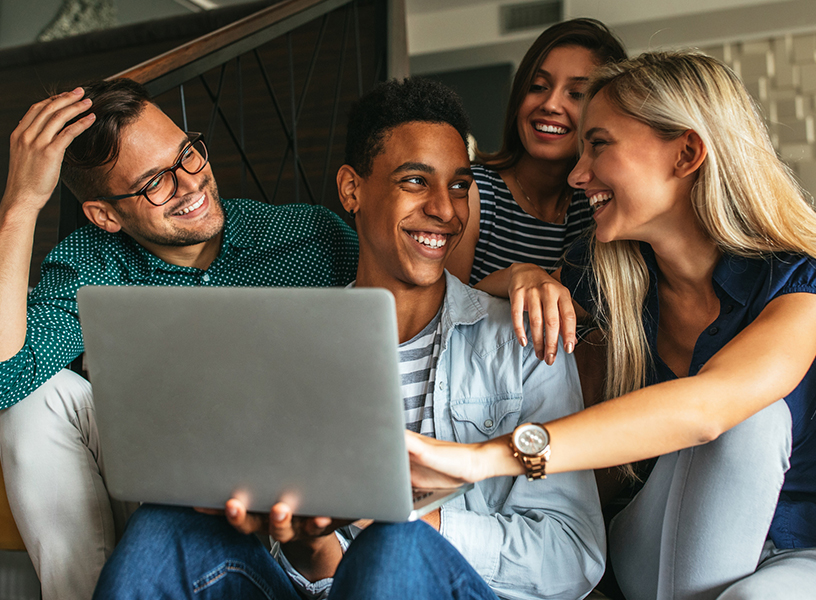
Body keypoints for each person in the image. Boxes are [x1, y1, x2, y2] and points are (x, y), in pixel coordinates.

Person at [91, 77, 605, 600]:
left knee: (395, 548)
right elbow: (320, 570)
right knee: (164, 528)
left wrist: (395, 522)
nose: (447, 211)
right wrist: (310, 543)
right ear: (351, 190)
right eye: (415, 181)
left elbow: (574, 554)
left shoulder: (523, 337)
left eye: (458, 184)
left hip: (456, 587)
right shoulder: (291, 346)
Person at [405, 51, 816, 600]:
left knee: (752, 422)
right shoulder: (599, 274)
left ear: (687, 152)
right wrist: (523, 275)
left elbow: (709, 408)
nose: (577, 175)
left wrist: (484, 458)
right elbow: (465, 309)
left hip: (794, 555)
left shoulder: (800, 283)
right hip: (660, 542)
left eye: (598, 145)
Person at [0, 79, 358, 600]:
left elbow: (416, 313)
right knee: (33, 403)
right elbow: (4, 380)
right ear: (105, 215)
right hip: (160, 487)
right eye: (154, 184)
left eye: (186, 154)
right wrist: (20, 207)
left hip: (285, 496)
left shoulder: (310, 239)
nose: (190, 184)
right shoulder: (89, 266)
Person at [446, 18, 625, 363]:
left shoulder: (599, 205)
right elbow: (443, 314)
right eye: (538, 86)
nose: (551, 104)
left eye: (576, 94)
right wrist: (516, 275)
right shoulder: (474, 191)